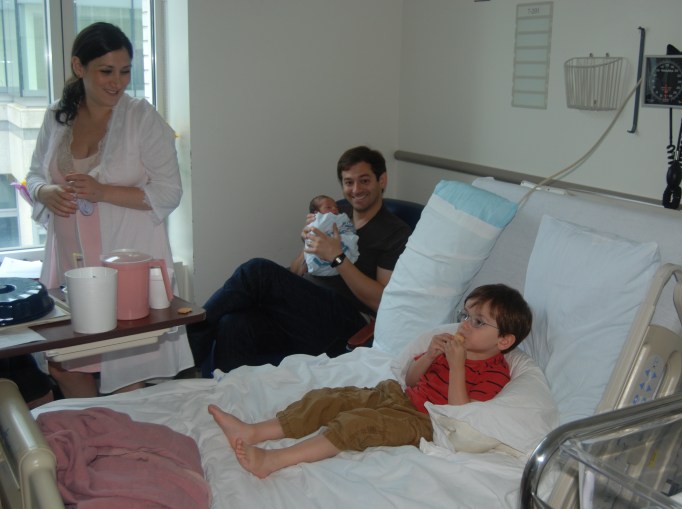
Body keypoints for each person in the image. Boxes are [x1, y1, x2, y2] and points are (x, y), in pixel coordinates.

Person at [24, 22, 193, 398]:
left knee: (124, 366)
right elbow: (34, 174)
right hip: (69, 262)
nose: (117, 82)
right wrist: (46, 190)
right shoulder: (57, 116)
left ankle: (126, 440)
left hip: (123, 265)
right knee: (64, 362)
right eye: (106, 71)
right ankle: (96, 433)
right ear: (78, 67)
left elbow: (169, 192)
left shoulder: (141, 117)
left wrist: (102, 191)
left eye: (125, 71)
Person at [208, 283, 532, 478]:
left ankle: (274, 460)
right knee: (329, 398)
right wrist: (431, 357)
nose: (464, 326)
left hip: (424, 420)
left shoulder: (495, 372)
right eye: (465, 316)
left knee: (357, 423)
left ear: (504, 340)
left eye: (478, 322)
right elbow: (410, 378)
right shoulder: (447, 344)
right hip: (399, 396)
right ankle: (255, 431)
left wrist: (458, 366)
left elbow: (463, 414)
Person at [187, 145, 411, 371]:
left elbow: (382, 301)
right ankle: (227, 396)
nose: (355, 189)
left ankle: (191, 340)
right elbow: (295, 271)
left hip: (347, 320)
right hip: (303, 311)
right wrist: (308, 244)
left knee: (257, 270)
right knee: (233, 324)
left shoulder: (394, 233)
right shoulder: (336, 211)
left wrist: (337, 258)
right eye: (348, 182)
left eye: (364, 180)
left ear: (381, 180)